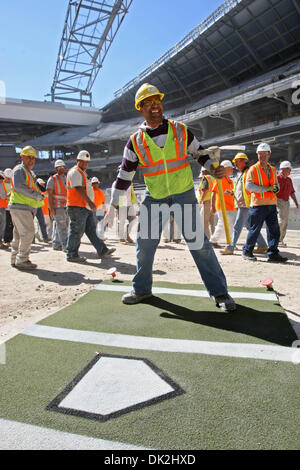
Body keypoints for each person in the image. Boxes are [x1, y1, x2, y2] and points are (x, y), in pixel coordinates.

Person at [110, 82, 236, 312]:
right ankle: (141, 289)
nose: (155, 106)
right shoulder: (135, 141)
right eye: (148, 103)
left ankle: (220, 292)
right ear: (141, 108)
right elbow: (125, 174)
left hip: (183, 194)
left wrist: (212, 167)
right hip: (154, 197)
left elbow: (199, 153)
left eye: (157, 101)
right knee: (144, 245)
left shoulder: (180, 130)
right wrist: (114, 204)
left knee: (199, 245)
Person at [66, 150, 115, 263]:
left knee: (91, 230)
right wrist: (90, 202)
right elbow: (78, 189)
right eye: (83, 162)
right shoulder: (75, 172)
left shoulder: (82, 173)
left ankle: (102, 250)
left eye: (87, 162)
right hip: (76, 206)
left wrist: (89, 203)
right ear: (78, 161)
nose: (85, 164)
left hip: (84, 207)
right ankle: (72, 254)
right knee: (76, 231)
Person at [242, 143, 287, 263]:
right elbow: (249, 186)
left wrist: (276, 188)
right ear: (257, 155)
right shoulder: (253, 169)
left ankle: (273, 254)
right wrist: (267, 189)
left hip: (271, 204)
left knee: (274, 231)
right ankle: (247, 251)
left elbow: (276, 184)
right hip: (258, 205)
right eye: (259, 154)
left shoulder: (273, 169)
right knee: (254, 230)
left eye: (264, 154)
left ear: (269, 154)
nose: (261, 156)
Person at [221, 153, 267, 255]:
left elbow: (251, 187)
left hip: (245, 204)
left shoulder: (249, 172)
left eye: (238, 161)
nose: (236, 164)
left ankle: (230, 247)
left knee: (237, 226)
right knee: (250, 226)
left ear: (244, 161)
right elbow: (241, 189)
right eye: (235, 162)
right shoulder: (240, 174)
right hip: (242, 203)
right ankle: (262, 244)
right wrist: (232, 192)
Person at [8, 146, 45, 270]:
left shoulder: (27, 171)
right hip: (21, 206)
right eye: (28, 157)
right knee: (28, 232)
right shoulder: (20, 170)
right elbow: (19, 186)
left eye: (33, 158)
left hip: (22, 206)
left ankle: (15, 259)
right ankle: (22, 260)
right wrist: (37, 195)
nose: (31, 160)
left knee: (19, 234)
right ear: (22, 157)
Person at [209, 160, 236, 248]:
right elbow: (213, 193)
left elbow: (231, 193)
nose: (232, 170)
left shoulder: (230, 181)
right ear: (224, 169)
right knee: (223, 224)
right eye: (230, 168)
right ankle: (213, 240)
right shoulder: (219, 179)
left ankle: (232, 242)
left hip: (230, 206)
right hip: (222, 206)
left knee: (230, 224)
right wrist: (212, 206)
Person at [47, 159, 69, 251]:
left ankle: (56, 244)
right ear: (56, 168)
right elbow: (49, 195)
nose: (61, 169)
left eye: (62, 167)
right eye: (59, 167)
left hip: (66, 206)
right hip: (57, 207)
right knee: (62, 227)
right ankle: (65, 246)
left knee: (62, 226)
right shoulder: (52, 179)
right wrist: (51, 209)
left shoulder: (67, 178)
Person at [276, 160, 299, 247]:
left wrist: (296, 203)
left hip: (286, 202)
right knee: (281, 220)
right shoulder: (277, 178)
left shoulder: (289, 180)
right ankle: (277, 239)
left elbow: (292, 192)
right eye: (289, 169)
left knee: (285, 221)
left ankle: (280, 240)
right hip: (278, 201)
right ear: (284, 169)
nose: (290, 171)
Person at [198, 168, 215, 240]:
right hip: (212, 201)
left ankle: (207, 238)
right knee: (212, 222)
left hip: (206, 202)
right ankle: (214, 239)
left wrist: (201, 200)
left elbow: (205, 190)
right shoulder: (212, 178)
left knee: (204, 221)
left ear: (203, 171)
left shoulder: (205, 178)